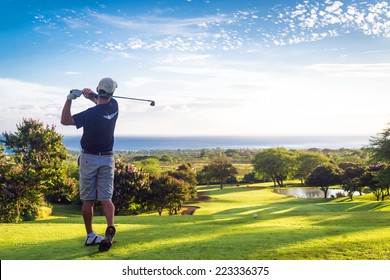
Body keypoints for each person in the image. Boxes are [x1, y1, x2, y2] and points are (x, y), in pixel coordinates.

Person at [61, 77, 118, 252]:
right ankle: (110, 226)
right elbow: (101, 100)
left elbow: (65, 120)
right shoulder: (114, 106)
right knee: (106, 198)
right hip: (107, 158)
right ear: (112, 93)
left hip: (89, 158)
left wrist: (69, 99)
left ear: (98, 89)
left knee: (88, 199)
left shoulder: (90, 114)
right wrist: (90, 95)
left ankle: (90, 235)